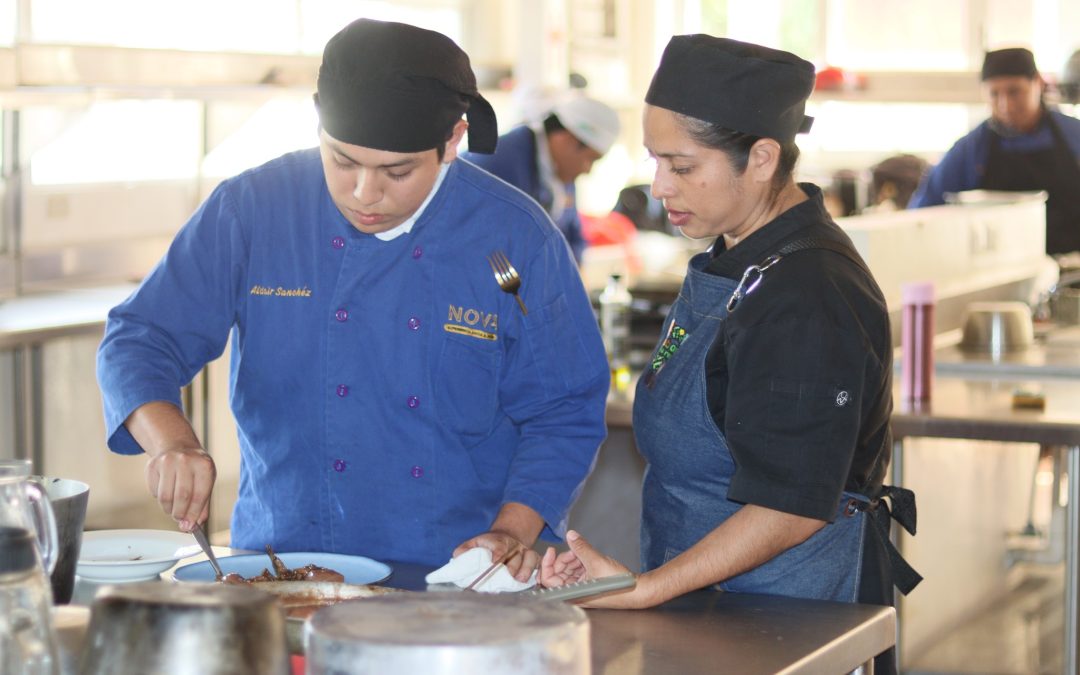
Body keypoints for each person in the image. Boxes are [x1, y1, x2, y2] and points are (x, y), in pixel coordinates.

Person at [95, 18, 610, 576]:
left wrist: (511, 531)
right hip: (282, 566)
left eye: (396, 171)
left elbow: (564, 409)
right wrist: (172, 442)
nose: (365, 194)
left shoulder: (514, 239)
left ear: (453, 142)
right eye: (342, 161)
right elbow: (142, 338)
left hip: (457, 579)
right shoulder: (254, 210)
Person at [538, 35, 919, 675]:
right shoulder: (737, 257)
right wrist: (634, 582)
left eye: (682, 167)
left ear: (763, 158)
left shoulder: (811, 294)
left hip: (792, 618)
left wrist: (646, 589)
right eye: (656, 160)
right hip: (712, 610)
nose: (659, 185)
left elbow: (791, 504)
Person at [909, 47, 1080, 255]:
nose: (1005, 104)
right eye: (994, 93)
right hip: (999, 272)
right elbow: (922, 212)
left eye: (1014, 91)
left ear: (1037, 83)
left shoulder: (1073, 135)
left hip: (1071, 270)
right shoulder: (971, 149)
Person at [461, 94, 621, 265]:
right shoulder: (497, 162)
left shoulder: (560, 171)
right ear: (566, 140)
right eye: (590, 159)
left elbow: (573, 239)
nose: (588, 170)